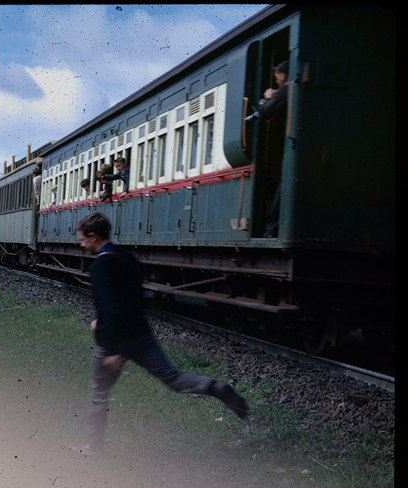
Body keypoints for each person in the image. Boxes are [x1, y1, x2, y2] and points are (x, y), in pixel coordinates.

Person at [74, 212, 248, 455]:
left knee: (99, 393)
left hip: (115, 342)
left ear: (93, 236)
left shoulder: (100, 266)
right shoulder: (127, 257)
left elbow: (112, 307)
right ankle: (215, 388)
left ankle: (93, 448)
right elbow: (141, 298)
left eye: (83, 240)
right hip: (142, 335)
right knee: (172, 378)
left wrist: (112, 348)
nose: (82, 245)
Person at [256, 61, 289, 238]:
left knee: (283, 186)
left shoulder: (285, 90)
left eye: (277, 78)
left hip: (288, 147)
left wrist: (267, 98)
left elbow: (265, 112)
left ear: (283, 76)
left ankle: (272, 229)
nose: (276, 82)